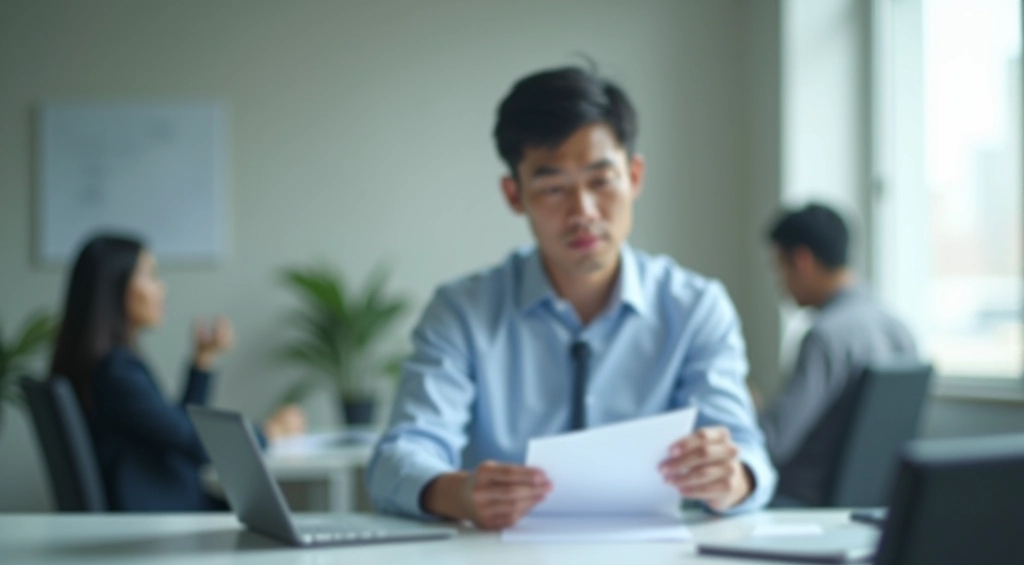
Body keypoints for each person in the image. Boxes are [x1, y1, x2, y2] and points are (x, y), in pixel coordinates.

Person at [367, 66, 776, 529]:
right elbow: (398, 458)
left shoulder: (696, 308)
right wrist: (458, 494)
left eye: (601, 181)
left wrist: (731, 478)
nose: (583, 212)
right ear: (513, 195)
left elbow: (747, 455)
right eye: (553, 188)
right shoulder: (462, 311)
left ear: (635, 176)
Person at [50, 234, 305, 511]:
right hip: (158, 517)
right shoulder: (116, 374)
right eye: (151, 276)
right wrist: (269, 432)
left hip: (163, 506)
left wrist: (202, 359)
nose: (162, 289)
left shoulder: (106, 366)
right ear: (115, 287)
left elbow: (177, 430)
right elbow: (194, 443)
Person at [759, 203, 918, 506]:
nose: (781, 286)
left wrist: (748, 412)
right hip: (878, 504)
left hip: (803, 504)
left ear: (802, 260)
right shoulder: (899, 329)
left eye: (779, 268)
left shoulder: (825, 337)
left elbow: (773, 443)